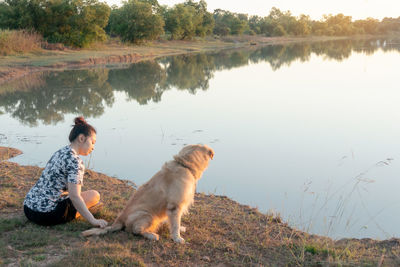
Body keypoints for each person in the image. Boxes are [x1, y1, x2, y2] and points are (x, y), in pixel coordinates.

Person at [23, 116, 108, 228]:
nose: (93, 147)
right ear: (81, 138)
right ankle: (84, 212)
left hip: (29, 208)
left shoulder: (60, 152)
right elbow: (74, 196)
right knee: (94, 195)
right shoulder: (75, 161)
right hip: (46, 215)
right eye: (92, 142)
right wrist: (93, 220)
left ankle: (82, 210)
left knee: (77, 195)